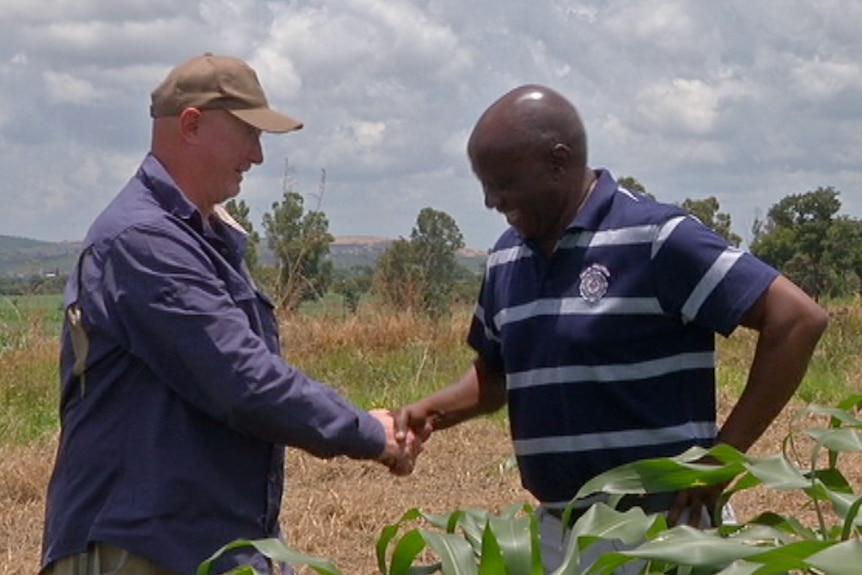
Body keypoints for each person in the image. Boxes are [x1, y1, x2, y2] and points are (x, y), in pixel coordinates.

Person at [394, 84, 828, 572]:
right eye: (484, 184)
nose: (492, 200)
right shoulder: (507, 257)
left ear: (558, 161)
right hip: (561, 534)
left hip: (660, 535)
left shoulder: (656, 238)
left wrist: (720, 463)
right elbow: (497, 376)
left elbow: (797, 320)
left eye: (504, 183)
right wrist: (431, 410)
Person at [40, 53, 418, 575]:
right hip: (141, 548)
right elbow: (243, 380)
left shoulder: (196, 239)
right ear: (192, 125)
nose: (258, 155)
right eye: (247, 133)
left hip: (195, 542)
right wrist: (368, 433)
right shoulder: (144, 242)